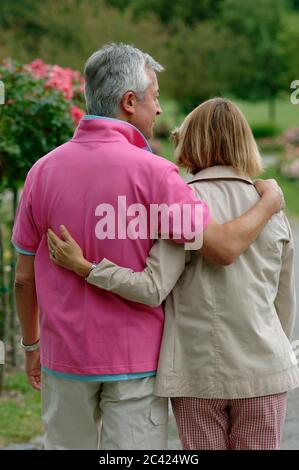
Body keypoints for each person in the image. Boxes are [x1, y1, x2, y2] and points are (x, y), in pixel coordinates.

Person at [13, 42, 283, 451]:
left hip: (63, 357)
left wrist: (32, 346)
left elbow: (23, 278)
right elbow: (223, 247)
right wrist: (269, 201)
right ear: (128, 102)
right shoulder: (158, 175)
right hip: (135, 363)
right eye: (154, 96)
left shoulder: (41, 172)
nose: (158, 109)